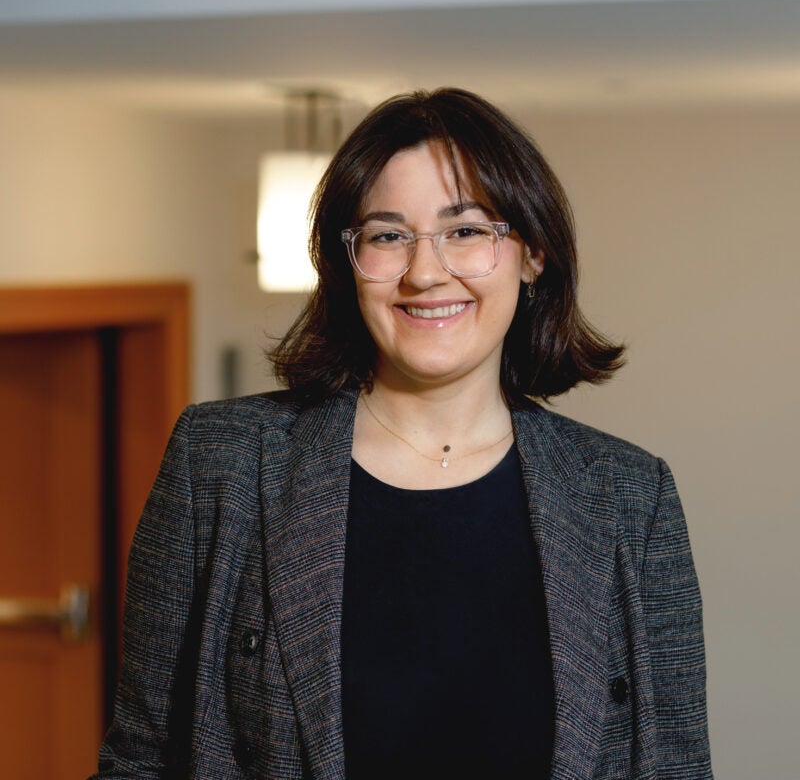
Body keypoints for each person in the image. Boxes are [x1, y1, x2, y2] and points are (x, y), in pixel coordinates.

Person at [92, 88, 712, 779]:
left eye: (467, 231)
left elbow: (676, 765)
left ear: (532, 253)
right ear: (347, 262)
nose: (424, 272)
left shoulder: (630, 496)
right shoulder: (223, 463)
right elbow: (138, 760)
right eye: (387, 235)